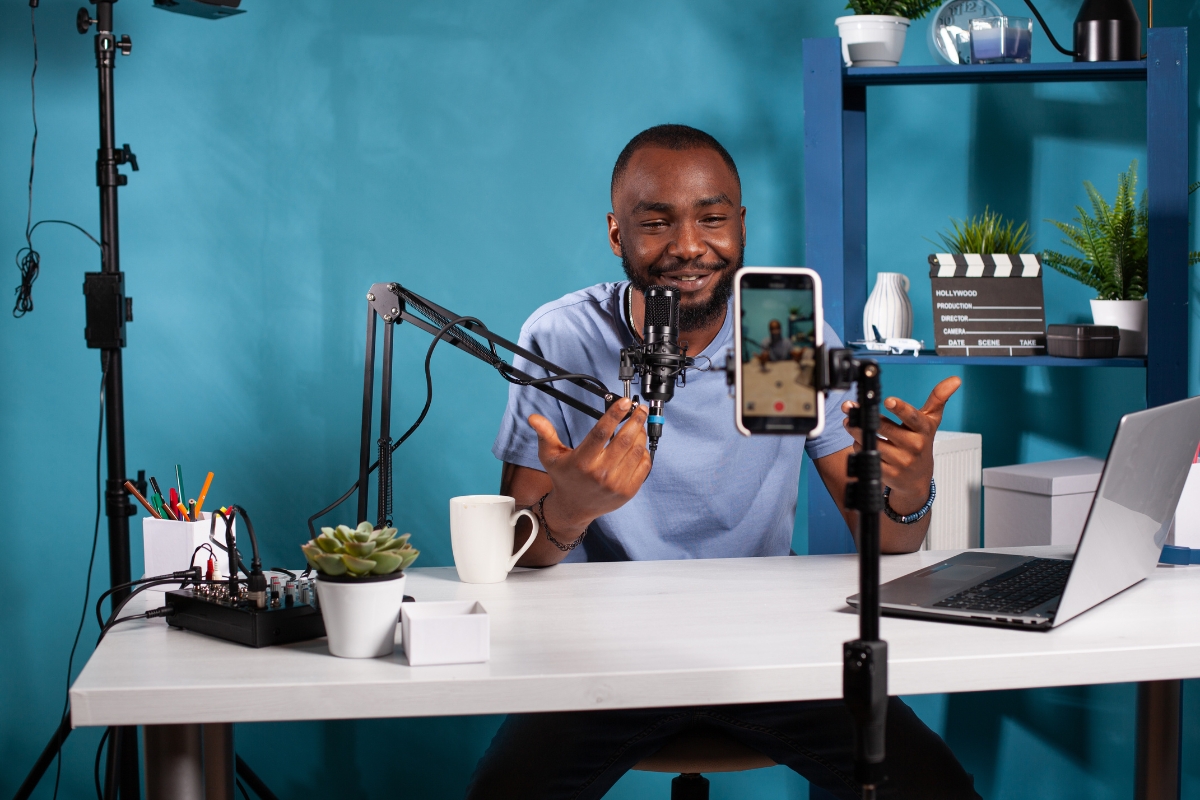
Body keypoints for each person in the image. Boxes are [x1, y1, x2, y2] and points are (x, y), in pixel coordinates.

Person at [470, 125, 974, 799]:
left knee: (934, 789)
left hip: (770, 642)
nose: (687, 246)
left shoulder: (783, 334)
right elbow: (513, 549)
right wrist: (571, 509)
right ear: (617, 236)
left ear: (740, 224)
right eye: (656, 223)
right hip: (604, 649)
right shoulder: (563, 336)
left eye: (712, 218)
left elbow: (886, 541)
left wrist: (908, 491)